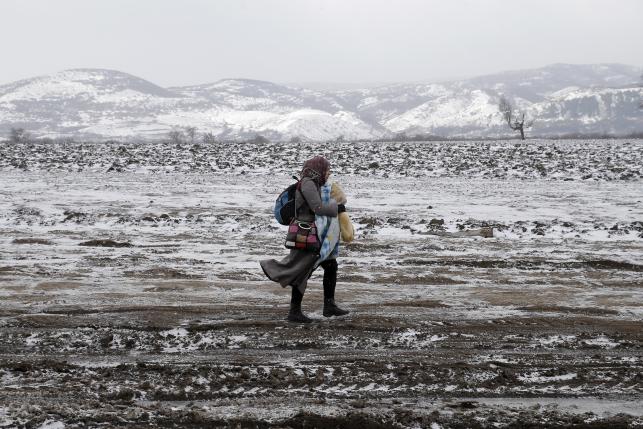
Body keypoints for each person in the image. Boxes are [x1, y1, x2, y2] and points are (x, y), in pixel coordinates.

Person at [261, 156, 350, 323]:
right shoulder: (308, 183)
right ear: (318, 169)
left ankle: (329, 306)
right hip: (305, 233)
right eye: (326, 170)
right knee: (302, 271)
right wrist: (336, 207)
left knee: (330, 265)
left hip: (312, 232)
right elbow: (317, 208)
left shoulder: (313, 183)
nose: (328, 173)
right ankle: (294, 310)